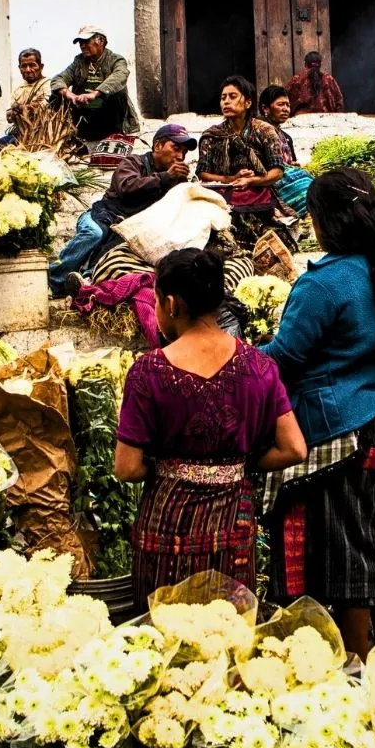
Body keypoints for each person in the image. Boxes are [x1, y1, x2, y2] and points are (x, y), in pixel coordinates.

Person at [261, 168, 375, 658]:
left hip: (340, 435)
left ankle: (360, 666)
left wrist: (236, 361)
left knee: (346, 552)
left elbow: (286, 357)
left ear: (322, 221)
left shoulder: (326, 283)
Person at [114, 249, 306, 603]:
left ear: (171, 304)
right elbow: (294, 447)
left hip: (167, 528)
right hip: (232, 524)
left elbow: (126, 468)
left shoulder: (148, 371)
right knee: (227, 634)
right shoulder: (259, 366)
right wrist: (241, 466)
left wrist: (169, 468)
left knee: (162, 635)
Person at [50, 124, 196, 295]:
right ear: (157, 146)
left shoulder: (175, 179)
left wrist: (184, 185)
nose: (180, 156)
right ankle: (53, 279)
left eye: (184, 152)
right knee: (93, 234)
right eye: (176, 148)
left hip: (127, 228)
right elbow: (127, 186)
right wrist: (165, 178)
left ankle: (85, 281)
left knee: (118, 251)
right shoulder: (134, 162)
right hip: (101, 216)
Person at [198, 75, 287, 244]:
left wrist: (252, 180)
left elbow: (277, 171)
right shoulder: (211, 136)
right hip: (222, 191)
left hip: (258, 188)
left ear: (247, 103)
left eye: (232, 96)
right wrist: (231, 179)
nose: (226, 102)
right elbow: (203, 173)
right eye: (223, 98)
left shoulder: (265, 131)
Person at [53, 26, 142, 140]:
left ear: (101, 41)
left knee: (118, 94)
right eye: (80, 42)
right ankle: (69, 135)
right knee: (56, 95)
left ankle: (114, 136)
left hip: (106, 115)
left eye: (86, 41)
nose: (82, 46)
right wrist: (72, 96)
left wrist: (94, 94)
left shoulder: (115, 60)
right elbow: (58, 80)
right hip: (84, 115)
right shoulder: (79, 61)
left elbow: (120, 76)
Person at [258, 85, 314, 217]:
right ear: (265, 108)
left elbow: (290, 163)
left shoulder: (286, 138)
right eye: (280, 104)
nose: (286, 109)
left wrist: (292, 165)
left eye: (288, 105)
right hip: (269, 182)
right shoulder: (256, 133)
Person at [285, 50, 345, 115]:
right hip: (327, 119)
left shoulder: (297, 79)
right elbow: (339, 101)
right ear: (320, 65)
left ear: (305, 64)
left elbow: (285, 96)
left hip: (302, 119)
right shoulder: (329, 79)